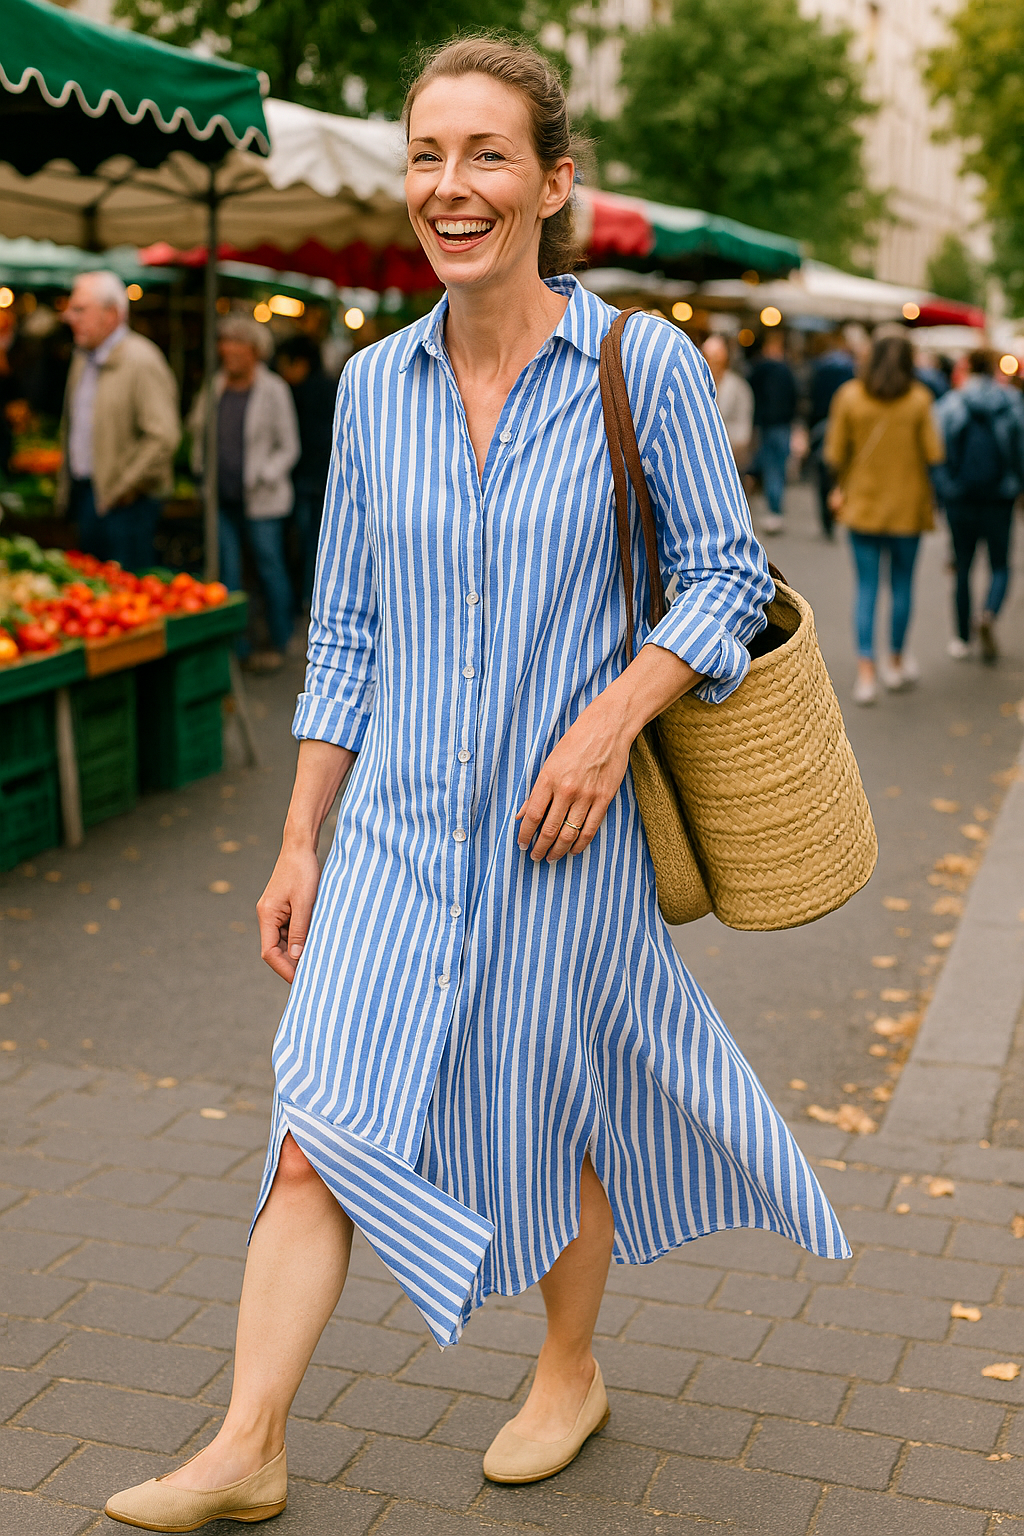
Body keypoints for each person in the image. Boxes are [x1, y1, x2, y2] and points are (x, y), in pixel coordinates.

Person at [104, 37, 848, 1531]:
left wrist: (610, 720)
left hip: (562, 839)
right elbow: (353, 636)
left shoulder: (645, 368)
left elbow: (719, 583)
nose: (452, 185)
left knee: (552, 1108)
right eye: (428, 157)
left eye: (486, 154)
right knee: (316, 1111)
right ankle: (247, 1442)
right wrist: (299, 838)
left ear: (552, 182)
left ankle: (567, 1371)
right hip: (391, 837)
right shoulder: (374, 390)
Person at [825, 334, 944, 705]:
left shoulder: (849, 396)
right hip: (908, 510)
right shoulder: (920, 400)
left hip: (862, 507)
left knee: (866, 588)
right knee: (903, 586)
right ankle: (895, 662)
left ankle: (866, 674)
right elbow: (934, 453)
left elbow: (833, 452)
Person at [189, 316, 300, 673]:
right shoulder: (214, 386)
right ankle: (237, 648)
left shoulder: (274, 390)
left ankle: (279, 641)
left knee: (269, 568)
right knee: (229, 574)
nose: (228, 350)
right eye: (224, 342)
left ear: (254, 350)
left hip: (263, 500)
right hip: (221, 499)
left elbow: (289, 447)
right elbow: (198, 432)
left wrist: (264, 474)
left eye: (237, 343)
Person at [58, 271, 180, 570]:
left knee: (126, 595)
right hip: (88, 494)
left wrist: (122, 487)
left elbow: (164, 436)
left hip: (126, 506)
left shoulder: (142, 360)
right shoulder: (83, 357)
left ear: (111, 314)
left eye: (80, 309)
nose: (68, 317)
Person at [934, 348, 1024, 662]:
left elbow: (937, 452)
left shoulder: (951, 403)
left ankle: (961, 638)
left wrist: (944, 492)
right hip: (999, 498)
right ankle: (988, 613)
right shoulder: (1011, 401)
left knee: (962, 566)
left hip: (961, 498)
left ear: (968, 367)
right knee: (1000, 565)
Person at [274, 334, 337, 608]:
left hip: (309, 479)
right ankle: (312, 597)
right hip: (325, 477)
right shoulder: (331, 386)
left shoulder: (298, 393)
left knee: (308, 540)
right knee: (319, 540)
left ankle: (308, 597)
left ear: (300, 363)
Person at [808, 331, 857, 539]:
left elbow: (811, 397)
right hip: (843, 424)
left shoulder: (819, 367)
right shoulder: (850, 367)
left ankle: (826, 517)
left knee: (823, 471)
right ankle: (837, 509)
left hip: (821, 422)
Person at [748, 330, 797, 534]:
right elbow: (795, 396)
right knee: (778, 467)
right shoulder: (787, 371)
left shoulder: (758, 369)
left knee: (770, 468)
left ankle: (773, 511)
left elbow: (752, 395)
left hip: (766, 425)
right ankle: (776, 511)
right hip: (783, 425)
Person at [701, 333, 753, 467]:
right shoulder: (698, 385)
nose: (712, 363)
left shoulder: (738, 386)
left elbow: (744, 425)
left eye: (716, 358)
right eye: (709, 358)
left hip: (731, 454)